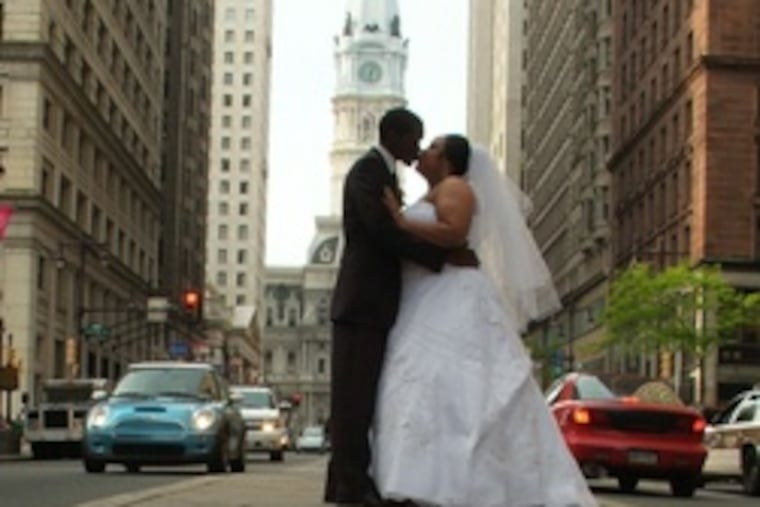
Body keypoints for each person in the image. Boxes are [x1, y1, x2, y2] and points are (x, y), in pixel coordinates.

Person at [371, 135, 598, 507]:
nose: (423, 154)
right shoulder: (441, 189)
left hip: (449, 297)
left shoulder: (455, 187)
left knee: (456, 387)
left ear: (446, 161)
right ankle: (429, 477)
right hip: (426, 296)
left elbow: (453, 232)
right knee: (434, 388)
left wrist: (400, 221)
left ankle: (458, 481)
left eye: (432, 149)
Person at [325, 109, 477, 507]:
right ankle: (350, 487)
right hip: (361, 303)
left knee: (360, 400)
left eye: (427, 143)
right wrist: (441, 258)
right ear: (393, 134)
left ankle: (351, 482)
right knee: (352, 401)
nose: (418, 148)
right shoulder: (367, 172)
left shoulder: (385, 173)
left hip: (377, 305)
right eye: (415, 139)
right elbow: (380, 231)